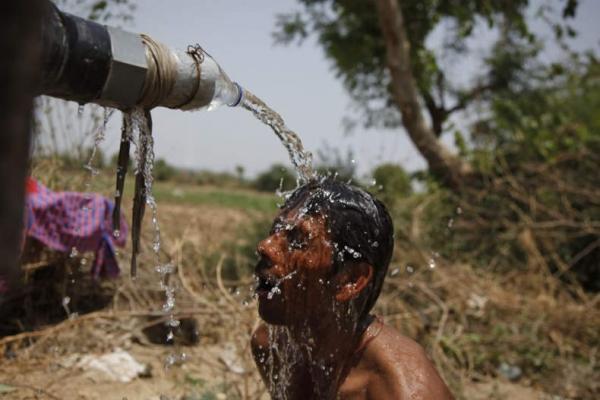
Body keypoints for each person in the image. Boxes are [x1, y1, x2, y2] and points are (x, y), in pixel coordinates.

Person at [251, 177, 454, 399]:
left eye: (298, 239)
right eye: (275, 230)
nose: (265, 246)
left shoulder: (403, 390)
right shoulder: (273, 346)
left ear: (351, 280)